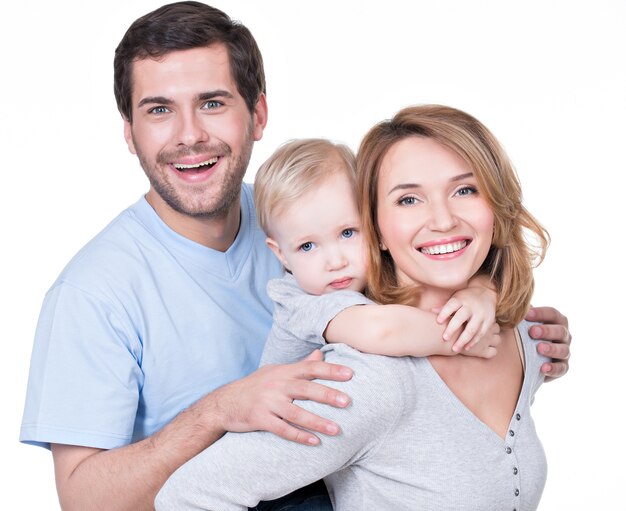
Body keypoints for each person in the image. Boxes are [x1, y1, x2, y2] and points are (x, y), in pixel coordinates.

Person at [19, 1, 571, 509]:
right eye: (159, 110)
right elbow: (84, 500)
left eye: (212, 103)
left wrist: (491, 297)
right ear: (129, 132)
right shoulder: (92, 294)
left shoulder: (306, 216)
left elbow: (426, 235)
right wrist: (219, 411)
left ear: (258, 114)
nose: (190, 135)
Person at [155, 104, 560, 510]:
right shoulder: (371, 377)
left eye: (465, 190)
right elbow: (188, 497)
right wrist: (460, 337)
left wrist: (490, 296)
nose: (442, 220)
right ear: (378, 228)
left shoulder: (523, 335)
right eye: (408, 200)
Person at [253, 137, 502, 365]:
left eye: (348, 233)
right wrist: (465, 338)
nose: (336, 261)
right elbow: (381, 330)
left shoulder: (372, 275)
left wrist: (481, 292)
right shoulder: (297, 301)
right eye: (307, 246)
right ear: (281, 254)